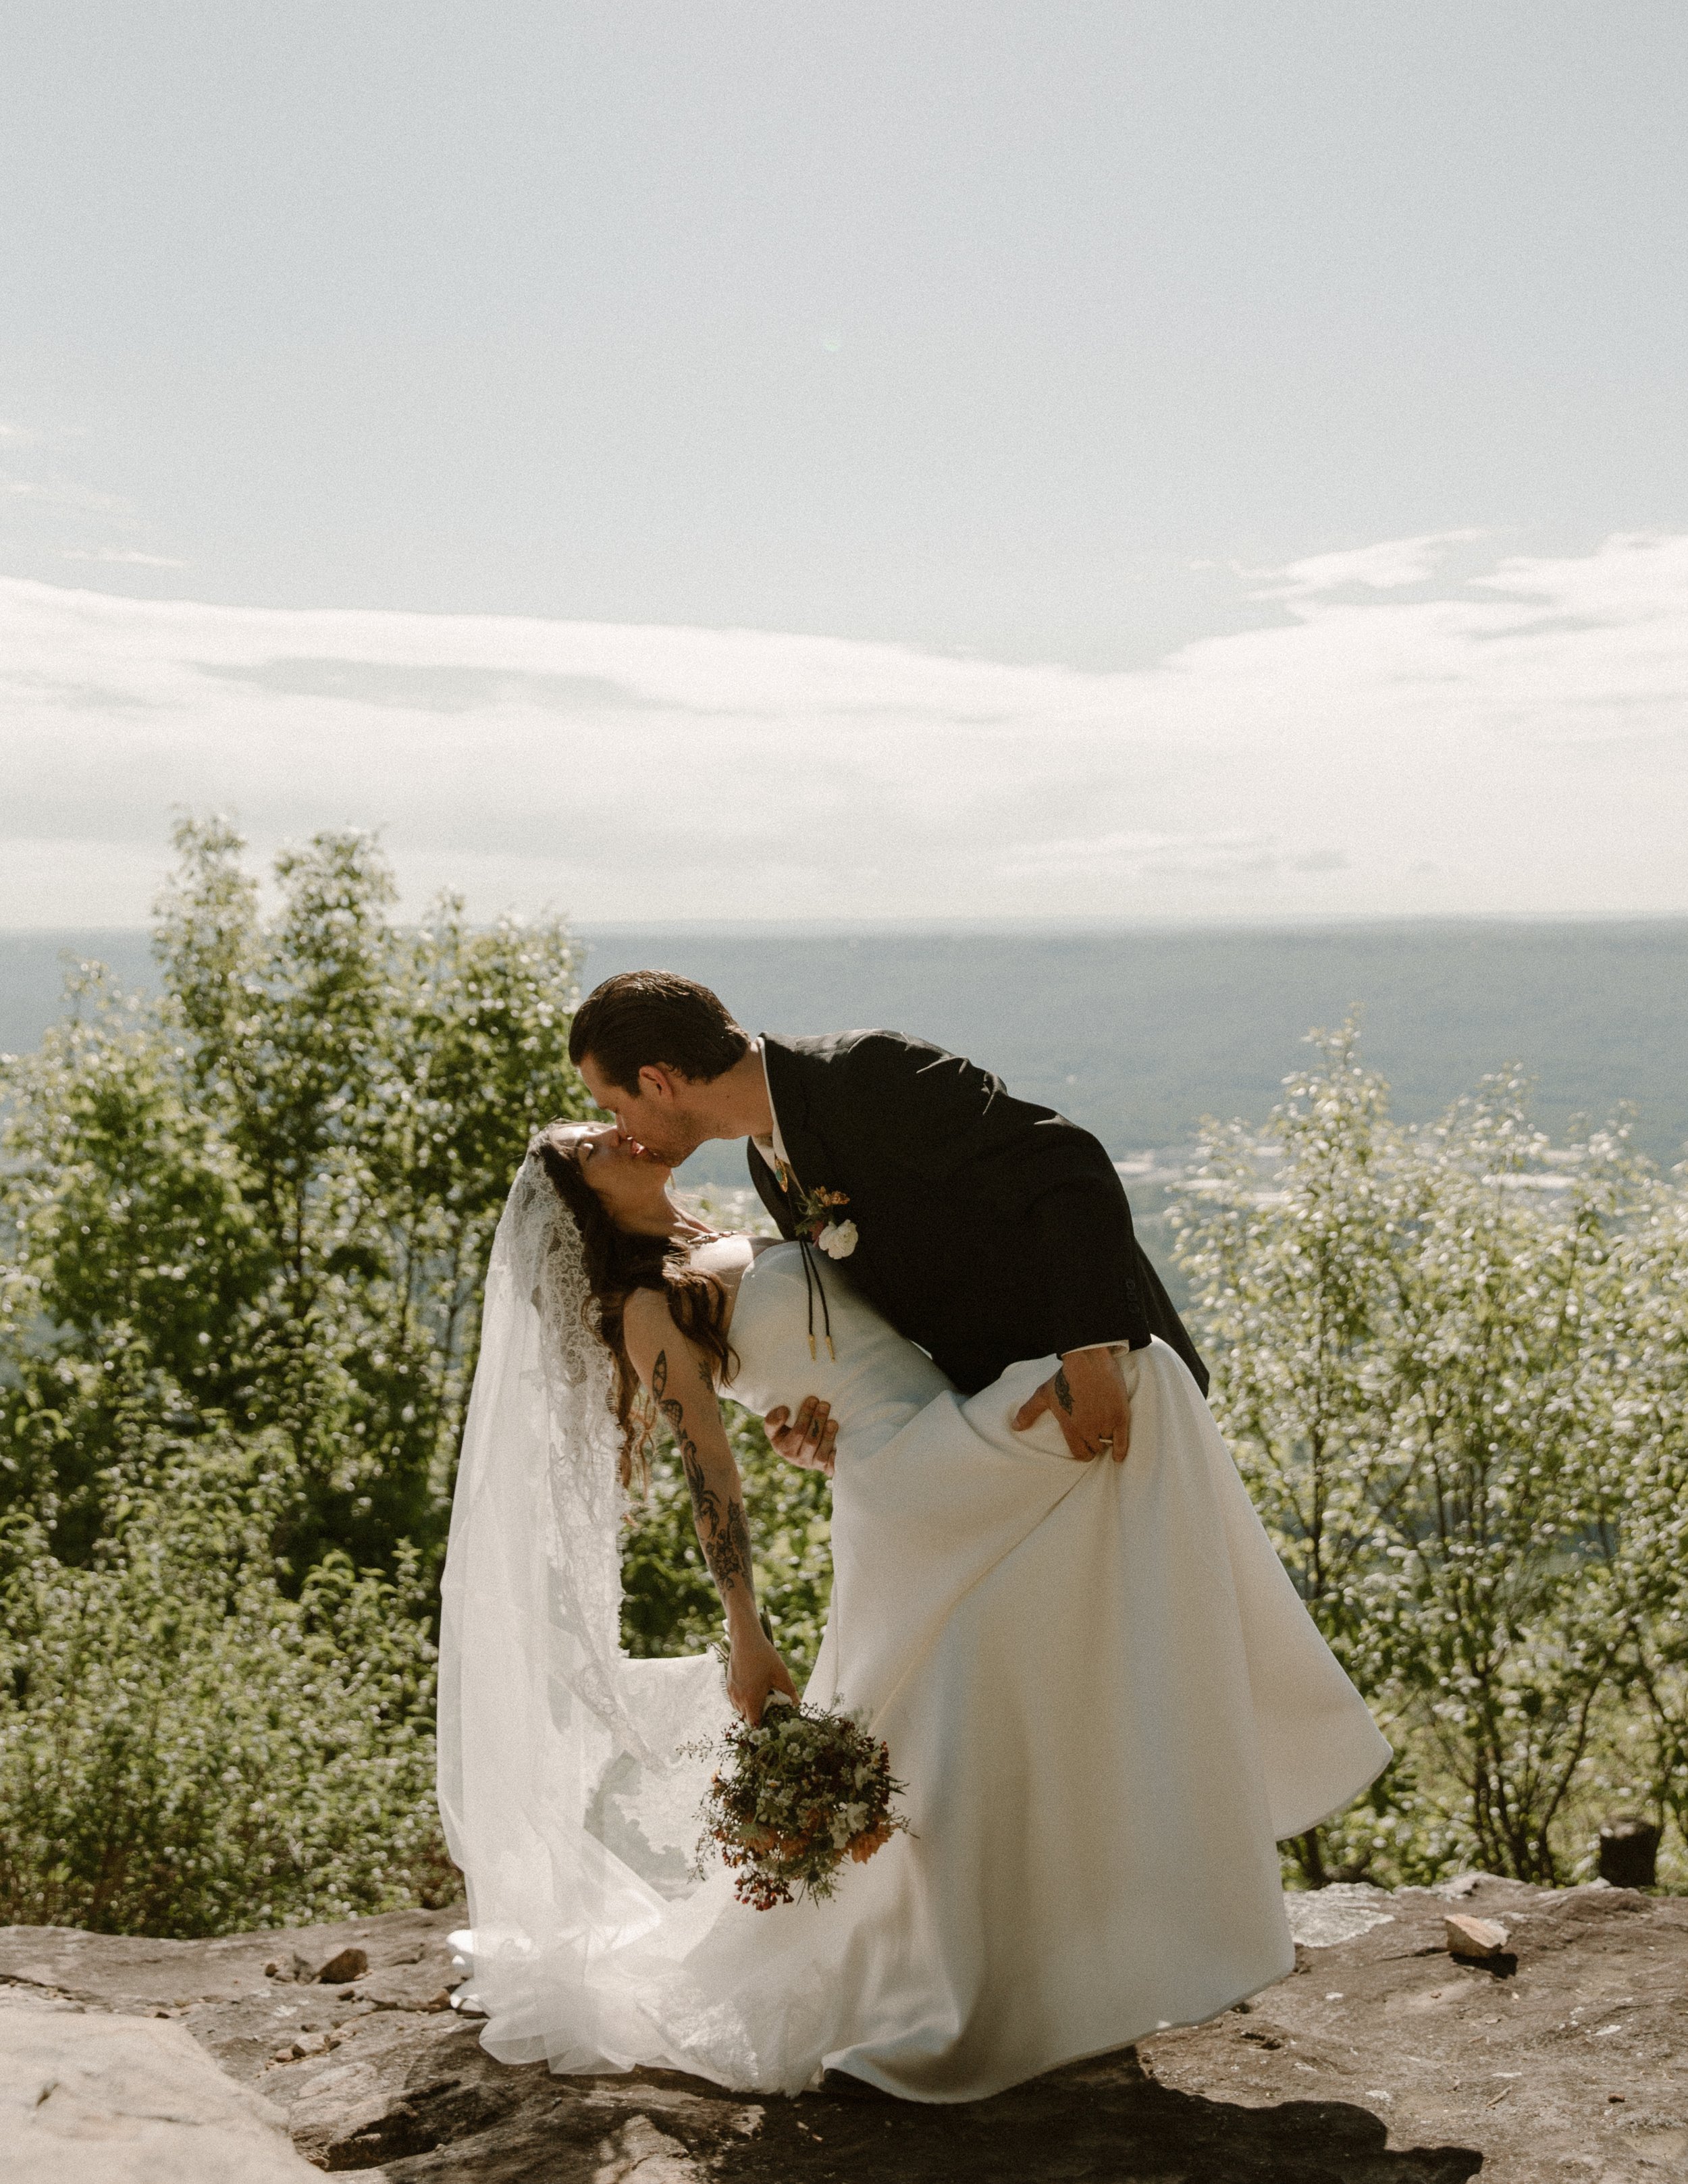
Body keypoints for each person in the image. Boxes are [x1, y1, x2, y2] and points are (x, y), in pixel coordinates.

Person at [438, 1103, 1390, 2102]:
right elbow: (707, 1467)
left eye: (608, 1124)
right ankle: (1009, 1964)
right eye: (596, 1150)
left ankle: (1065, 1954)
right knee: (1138, 1387)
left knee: (980, 1697)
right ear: (582, 1204)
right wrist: (747, 1635)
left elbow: (808, 1364)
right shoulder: (641, 1303)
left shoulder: (716, 1231)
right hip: (907, 1477)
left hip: (934, 1436)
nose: (622, 1137)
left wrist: (797, 1417)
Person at [566, 971, 1208, 1481]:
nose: (619, 1130)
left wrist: (1089, 1356)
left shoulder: (863, 1072)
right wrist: (826, 1422)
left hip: (1116, 1388)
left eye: (613, 1107)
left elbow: (1067, 1165)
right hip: (1011, 1426)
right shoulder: (768, 1166)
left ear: (655, 1081)